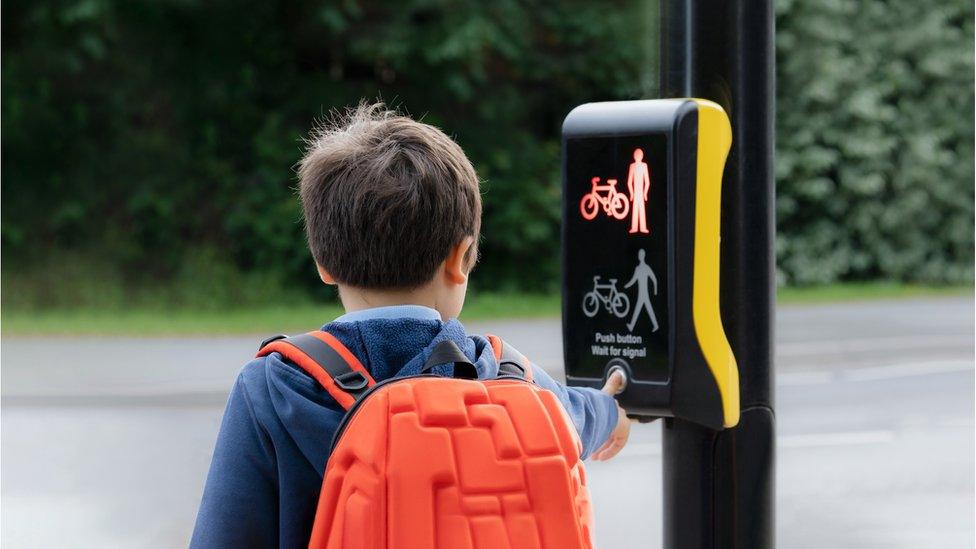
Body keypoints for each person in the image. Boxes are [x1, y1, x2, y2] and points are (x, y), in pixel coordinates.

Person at [190, 103, 631, 547]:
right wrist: (611, 410)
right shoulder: (511, 378)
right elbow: (580, 415)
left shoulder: (272, 388)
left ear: (323, 264)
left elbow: (224, 534)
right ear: (461, 258)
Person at [624, 249, 659, 332]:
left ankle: (632, 326)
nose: (640, 256)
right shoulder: (638, 268)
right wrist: (627, 285)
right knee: (644, 309)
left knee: (641, 309)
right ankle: (655, 325)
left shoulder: (646, 268)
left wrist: (655, 291)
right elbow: (633, 280)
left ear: (643, 256)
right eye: (639, 254)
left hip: (644, 294)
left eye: (641, 254)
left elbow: (654, 279)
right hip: (642, 294)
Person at [626, 148, 651, 234]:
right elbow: (629, 182)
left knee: (640, 209)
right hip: (637, 192)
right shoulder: (632, 166)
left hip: (639, 192)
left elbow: (647, 182)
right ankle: (635, 227)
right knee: (636, 209)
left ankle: (642, 227)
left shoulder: (644, 166)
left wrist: (645, 193)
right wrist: (632, 193)